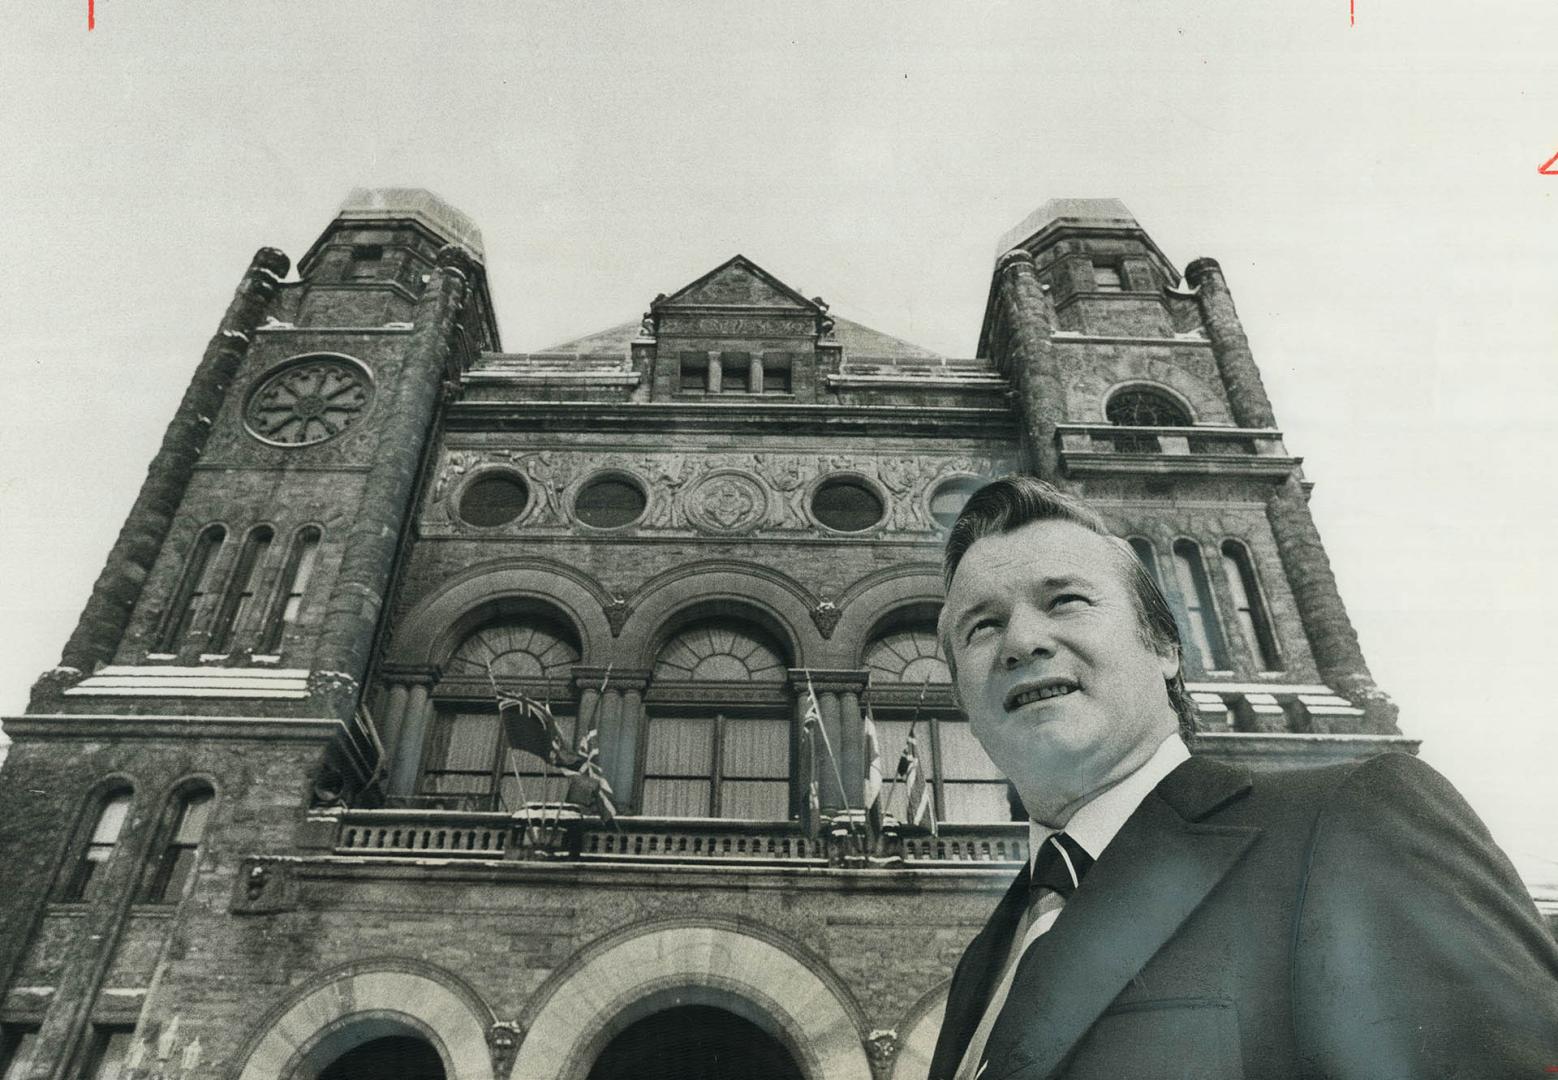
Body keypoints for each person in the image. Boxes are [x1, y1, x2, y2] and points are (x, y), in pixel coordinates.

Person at [929, 475, 1558, 1080]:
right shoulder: (986, 961)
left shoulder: (1349, 825)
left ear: (1165, 647)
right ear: (963, 699)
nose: (1021, 642)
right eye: (982, 626)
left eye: (1064, 600)